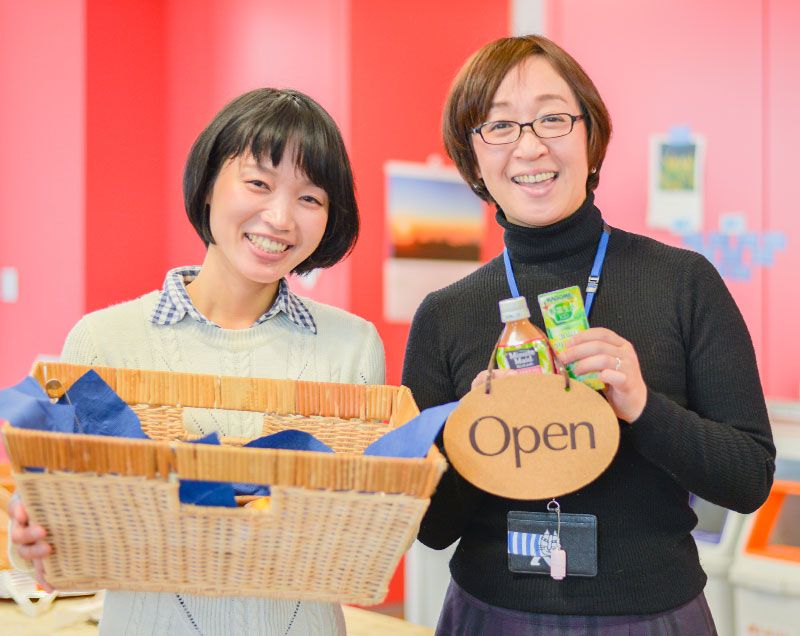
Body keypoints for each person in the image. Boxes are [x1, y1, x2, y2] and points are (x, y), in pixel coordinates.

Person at [402, 35, 775, 635]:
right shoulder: (445, 315)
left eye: (552, 117)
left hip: (654, 616)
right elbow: (431, 526)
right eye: (499, 126)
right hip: (491, 615)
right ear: (472, 159)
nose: (530, 145)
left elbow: (749, 479)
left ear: (591, 138)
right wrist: (476, 432)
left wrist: (643, 407)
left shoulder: (682, 282)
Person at [9, 87, 384, 635]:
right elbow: (53, 551)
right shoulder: (104, 340)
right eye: (258, 182)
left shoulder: (353, 347)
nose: (280, 217)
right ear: (209, 183)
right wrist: (32, 541)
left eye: (310, 198)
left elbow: (352, 534)